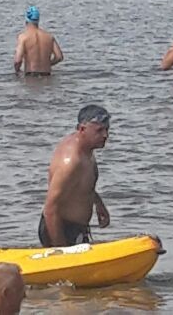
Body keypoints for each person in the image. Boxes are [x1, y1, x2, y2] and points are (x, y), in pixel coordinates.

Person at [40, 105, 111, 247]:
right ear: (82, 129)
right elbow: (50, 209)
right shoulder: (70, 162)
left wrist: (98, 203)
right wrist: (61, 250)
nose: (105, 135)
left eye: (107, 129)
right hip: (60, 229)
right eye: (99, 130)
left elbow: (80, 184)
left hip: (76, 228)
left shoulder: (87, 148)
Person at [13, 6, 63, 77]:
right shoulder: (49, 37)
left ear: (26, 20)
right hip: (47, 75)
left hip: (31, 76)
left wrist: (17, 71)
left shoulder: (23, 37)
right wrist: (48, 64)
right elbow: (59, 57)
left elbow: (17, 60)